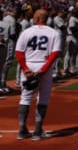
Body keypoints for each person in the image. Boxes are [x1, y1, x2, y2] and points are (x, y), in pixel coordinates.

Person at [15, 9, 62, 140]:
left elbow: (19, 52)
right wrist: (43, 69)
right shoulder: (54, 33)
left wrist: (25, 69)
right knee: (43, 97)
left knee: (25, 98)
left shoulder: (26, 32)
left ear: (35, 18)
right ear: (46, 19)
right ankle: (37, 131)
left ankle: (21, 130)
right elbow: (55, 54)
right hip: (44, 66)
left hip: (29, 66)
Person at [1, 9, 18, 93]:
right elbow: (12, 34)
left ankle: (2, 84)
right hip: (6, 44)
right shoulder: (10, 21)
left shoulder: (5, 20)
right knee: (6, 63)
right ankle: (2, 83)